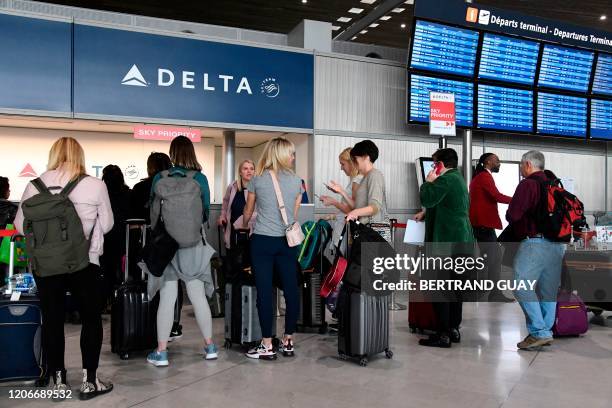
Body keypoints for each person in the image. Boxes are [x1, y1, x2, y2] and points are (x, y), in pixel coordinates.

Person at [14, 137, 114, 399]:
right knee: (91, 319)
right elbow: (108, 224)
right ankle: (90, 382)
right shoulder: (94, 184)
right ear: (80, 155)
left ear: (54, 154)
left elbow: (18, 225)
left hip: (47, 266)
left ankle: (58, 381)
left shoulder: (34, 185)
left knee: (53, 321)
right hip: (85, 262)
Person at [146, 136, 218, 367]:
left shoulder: (160, 178)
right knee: (197, 296)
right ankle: (209, 346)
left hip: (167, 247)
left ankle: (161, 352)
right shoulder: (200, 179)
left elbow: (153, 214)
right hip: (193, 245)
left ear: (172, 153)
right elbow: (205, 212)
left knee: (168, 297)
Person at [242, 137, 302, 360]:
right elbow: (293, 215)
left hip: (262, 242)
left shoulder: (257, 179)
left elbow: (248, 211)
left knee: (265, 292)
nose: (294, 157)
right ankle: (288, 341)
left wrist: (244, 223)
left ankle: (267, 344)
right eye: (291, 153)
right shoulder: (297, 181)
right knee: (291, 290)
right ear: (282, 154)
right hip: (286, 242)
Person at [507, 150, 565, 350]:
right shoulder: (554, 184)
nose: (522, 169)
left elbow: (513, 215)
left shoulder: (528, 184)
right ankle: (545, 331)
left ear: (528, 165)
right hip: (558, 245)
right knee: (548, 290)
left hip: (535, 243)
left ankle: (539, 332)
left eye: (522, 165)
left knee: (520, 285)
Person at [417, 148, 474, 348]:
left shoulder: (445, 180)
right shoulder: (458, 178)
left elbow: (427, 198)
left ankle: (442, 334)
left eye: (434, 164)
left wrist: (428, 182)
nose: (433, 167)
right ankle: (452, 329)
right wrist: (425, 214)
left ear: (441, 164)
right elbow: (449, 205)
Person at [129, 152, 184, 340]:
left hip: (149, 242)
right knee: (173, 284)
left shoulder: (140, 187)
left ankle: (146, 322)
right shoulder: (177, 184)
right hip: (174, 241)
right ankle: (174, 324)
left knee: (148, 280)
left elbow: (136, 215)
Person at [470, 153, 514, 302]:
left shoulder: (481, 176)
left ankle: (485, 289)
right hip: (484, 225)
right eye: (497, 161)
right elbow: (497, 196)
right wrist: (517, 200)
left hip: (482, 224)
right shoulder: (484, 177)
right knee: (494, 258)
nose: (499, 163)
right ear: (488, 162)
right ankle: (491, 292)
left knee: (491, 258)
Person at [319, 148, 363, 255]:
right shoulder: (354, 180)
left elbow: (353, 209)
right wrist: (338, 192)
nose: (341, 168)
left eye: (343, 164)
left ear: (351, 163)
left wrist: (334, 202)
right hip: (345, 230)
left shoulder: (358, 180)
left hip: (349, 232)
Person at [100, 165, 131, 300]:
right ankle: (120, 299)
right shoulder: (129, 194)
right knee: (122, 270)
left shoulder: (102, 195)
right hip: (125, 239)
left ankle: (106, 299)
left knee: (106, 270)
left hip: (106, 237)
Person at [345, 140, 388, 229]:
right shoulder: (365, 177)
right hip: (366, 230)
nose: (354, 162)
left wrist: (355, 212)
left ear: (366, 157)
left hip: (373, 232)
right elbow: (359, 204)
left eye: (355, 158)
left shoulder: (374, 175)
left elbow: (375, 207)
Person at [217, 159, 256, 249]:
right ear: (240, 172)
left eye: (252, 169)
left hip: (252, 230)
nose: (249, 171)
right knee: (234, 256)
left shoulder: (258, 187)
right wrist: (222, 216)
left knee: (249, 258)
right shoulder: (233, 186)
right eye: (245, 168)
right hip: (234, 229)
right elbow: (225, 202)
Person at [130, 153, 172, 223]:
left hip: (147, 230)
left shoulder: (139, 187)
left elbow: (135, 214)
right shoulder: (177, 186)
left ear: (149, 168)